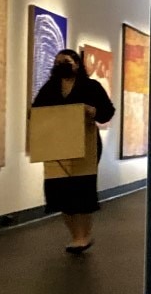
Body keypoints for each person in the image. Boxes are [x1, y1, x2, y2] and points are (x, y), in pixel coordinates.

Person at [31, 48, 115, 253]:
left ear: (77, 64)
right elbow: (36, 111)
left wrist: (91, 110)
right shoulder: (50, 88)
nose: (62, 65)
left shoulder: (91, 86)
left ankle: (83, 236)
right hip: (57, 146)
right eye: (58, 62)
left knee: (82, 190)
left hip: (86, 146)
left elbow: (107, 112)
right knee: (59, 192)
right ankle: (74, 234)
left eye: (66, 61)